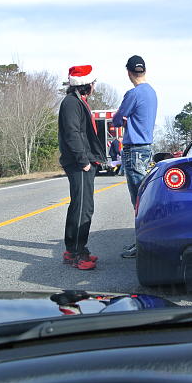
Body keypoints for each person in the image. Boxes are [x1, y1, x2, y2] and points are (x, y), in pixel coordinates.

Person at [58, 65, 106, 270]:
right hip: (80, 163)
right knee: (83, 208)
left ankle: (72, 250)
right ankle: (78, 253)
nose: (94, 86)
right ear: (86, 84)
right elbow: (72, 133)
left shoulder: (78, 101)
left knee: (80, 205)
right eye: (93, 83)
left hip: (83, 161)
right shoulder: (71, 103)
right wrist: (83, 160)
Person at [113, 55, 158, 258]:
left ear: (129, 73)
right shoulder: (152, 93)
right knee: (145, 197)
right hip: (146, 148)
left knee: (138, 201)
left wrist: (123, 120)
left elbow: (115, 119)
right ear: (145, 71)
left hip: (134, 150)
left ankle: (143, 245)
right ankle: (147, 241)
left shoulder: (133, 93)